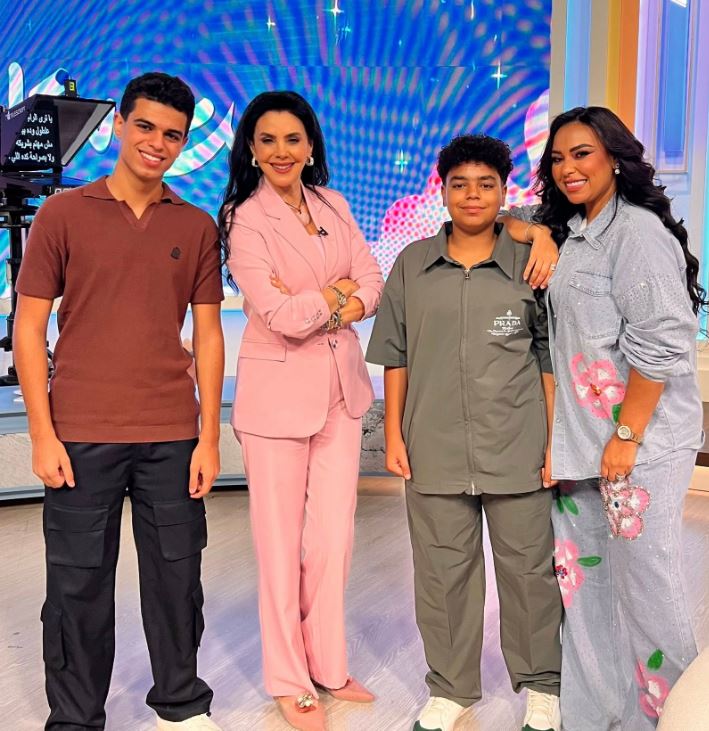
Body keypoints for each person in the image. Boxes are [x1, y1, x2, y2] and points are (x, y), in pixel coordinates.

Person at [14, 72, 225, 731]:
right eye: (145, 126)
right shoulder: (62, 214)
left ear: (184, 143)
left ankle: (180, 705)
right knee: (76, 584)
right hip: (80, 433)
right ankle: (76, 718)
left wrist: (209, 437)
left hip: (172, 433)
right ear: (118, 126)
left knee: (176, 577)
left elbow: (209, 335)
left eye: (173, 135)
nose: (157, 143)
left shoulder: (195, 225)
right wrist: (41, 434)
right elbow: (28, 327)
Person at [502, 106, 705, 730]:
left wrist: (626, 436)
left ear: (614, 157)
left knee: (647, 588)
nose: (568, 168)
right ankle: (596, 718)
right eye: (558, 158)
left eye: (582, 153)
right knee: (582, 587)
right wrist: (539, 235)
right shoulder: (566, 227)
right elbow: (501, 218)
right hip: (578, 446)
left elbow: (664, 344)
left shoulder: (637, 234)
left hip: (635, 446)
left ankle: (677, 719)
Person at [366, 134, 563, 731]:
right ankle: (451, 689)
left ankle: (541, 686)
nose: (473, 195)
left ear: (504, 192)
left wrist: (554, 442)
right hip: (434, 446)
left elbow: (548, 358)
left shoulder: (530, 262)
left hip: (517, 445)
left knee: (528, 573)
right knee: (442, 574)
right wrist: (394, 435)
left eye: (486, 184)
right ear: (443, 190)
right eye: (461, 184)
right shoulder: (412, 264)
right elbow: (396, 354)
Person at [218, 90, 384, 731]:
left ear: (311, 146)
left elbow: (372, 281)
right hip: (276, 401)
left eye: (293, 139)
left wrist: (331, 299)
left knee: (333, 540)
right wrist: (337, 296)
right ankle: (290, 679)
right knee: (280, 545)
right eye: (268, 140)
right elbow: (279, 315)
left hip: (341, 393)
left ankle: (329, 664)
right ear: (252, 149)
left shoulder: (333, 203)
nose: (281, 151)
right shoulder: (244, 218)